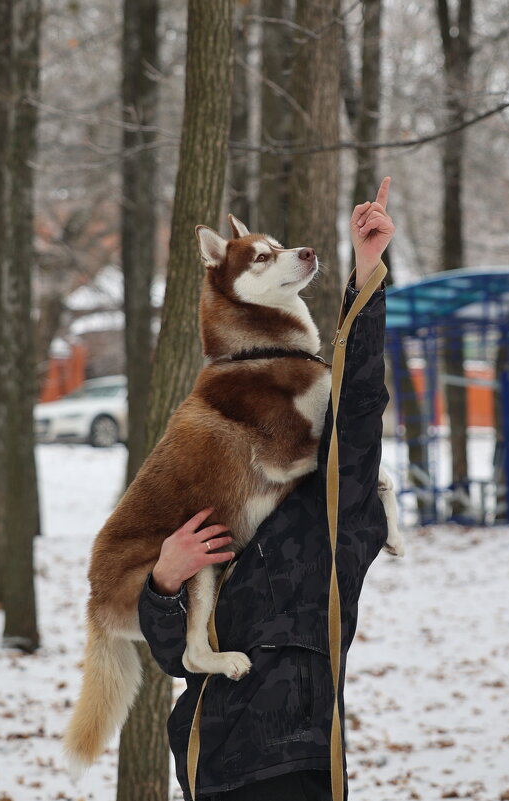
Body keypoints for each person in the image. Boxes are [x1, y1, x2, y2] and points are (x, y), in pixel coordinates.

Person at [138, 177, 396, 801]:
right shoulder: (218, 504)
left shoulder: (337, 516)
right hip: (211, 758)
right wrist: (164, 579)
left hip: (300, 760)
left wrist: (366, 277)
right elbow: (175, 655)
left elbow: (357, 408)